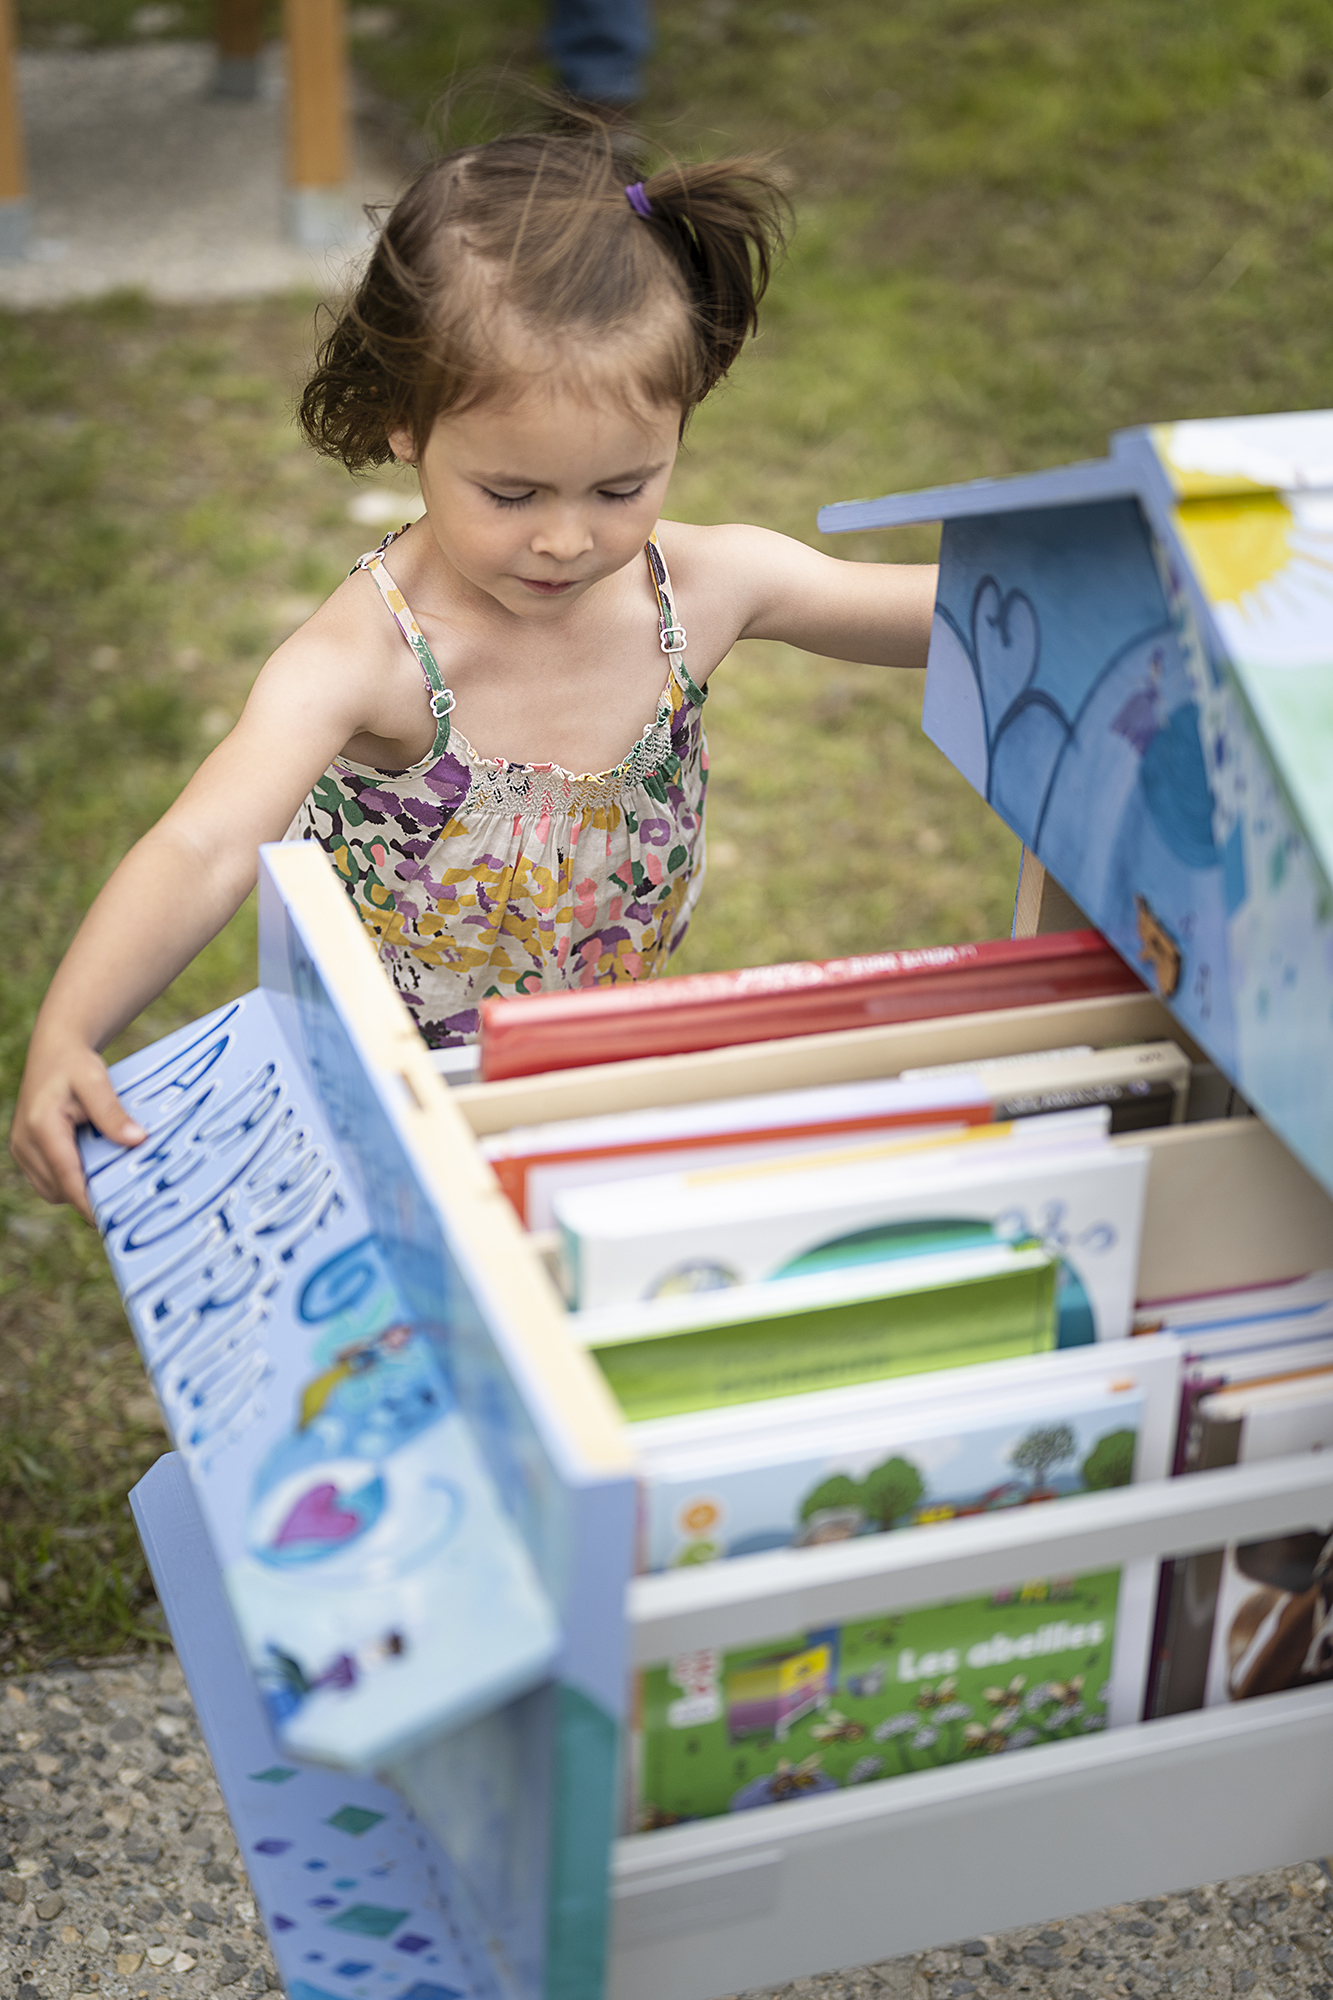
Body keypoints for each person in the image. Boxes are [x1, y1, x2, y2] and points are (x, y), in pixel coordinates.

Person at [10, 126, 937, 1221]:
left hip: (597, 1070)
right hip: (387, 1115)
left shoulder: (701, 587)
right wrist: (70, 1027)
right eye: (512, 493)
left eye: (619, 487)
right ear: (407, 423)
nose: (565, 541)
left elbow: (945, 615)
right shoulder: (367, 659)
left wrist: (1145, 561)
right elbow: (204, 843)